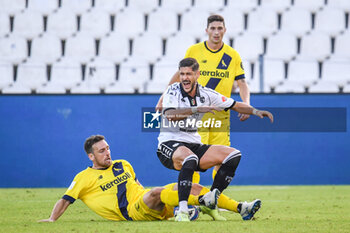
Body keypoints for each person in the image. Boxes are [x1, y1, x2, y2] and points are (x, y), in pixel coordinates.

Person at [38, 135, 260, 222]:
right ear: (91, 156)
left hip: (145, 200)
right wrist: (52, 219)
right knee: (158, 192)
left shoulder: (122, 164)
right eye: (101, 151)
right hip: (131, 212)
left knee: (192, 185)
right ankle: (195, 206)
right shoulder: (84, 178)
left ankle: (241, 207)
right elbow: (65, 199)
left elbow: (136, 185)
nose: (107, 153)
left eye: (108, 148)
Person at [156, 58, 273, 221]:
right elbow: (170, 115)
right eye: (182, 74)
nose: (184, 78)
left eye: (188, 74)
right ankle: (182, 211)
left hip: (193, 144)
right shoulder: (172, 91)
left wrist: (255, 111)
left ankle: (211, 198)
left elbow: (234, 104)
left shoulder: (206, 94)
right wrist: (196, 109)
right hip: (169, 144)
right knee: (189, 158)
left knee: (233, 155)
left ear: (197, 74)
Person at [156, 14, 251, 182]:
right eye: (213, 28)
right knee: (192, 159)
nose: (216, 32)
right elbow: (180, 75)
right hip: (197, 117)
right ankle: (192, 199)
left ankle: (214, 199)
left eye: (219, 28)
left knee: (223, 159)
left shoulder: (232, 55)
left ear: (225, 30)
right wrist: (162, 98)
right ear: (206, 30)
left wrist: (247, 104)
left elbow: (242, 82)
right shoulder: (194, 51)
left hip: (220, 116)